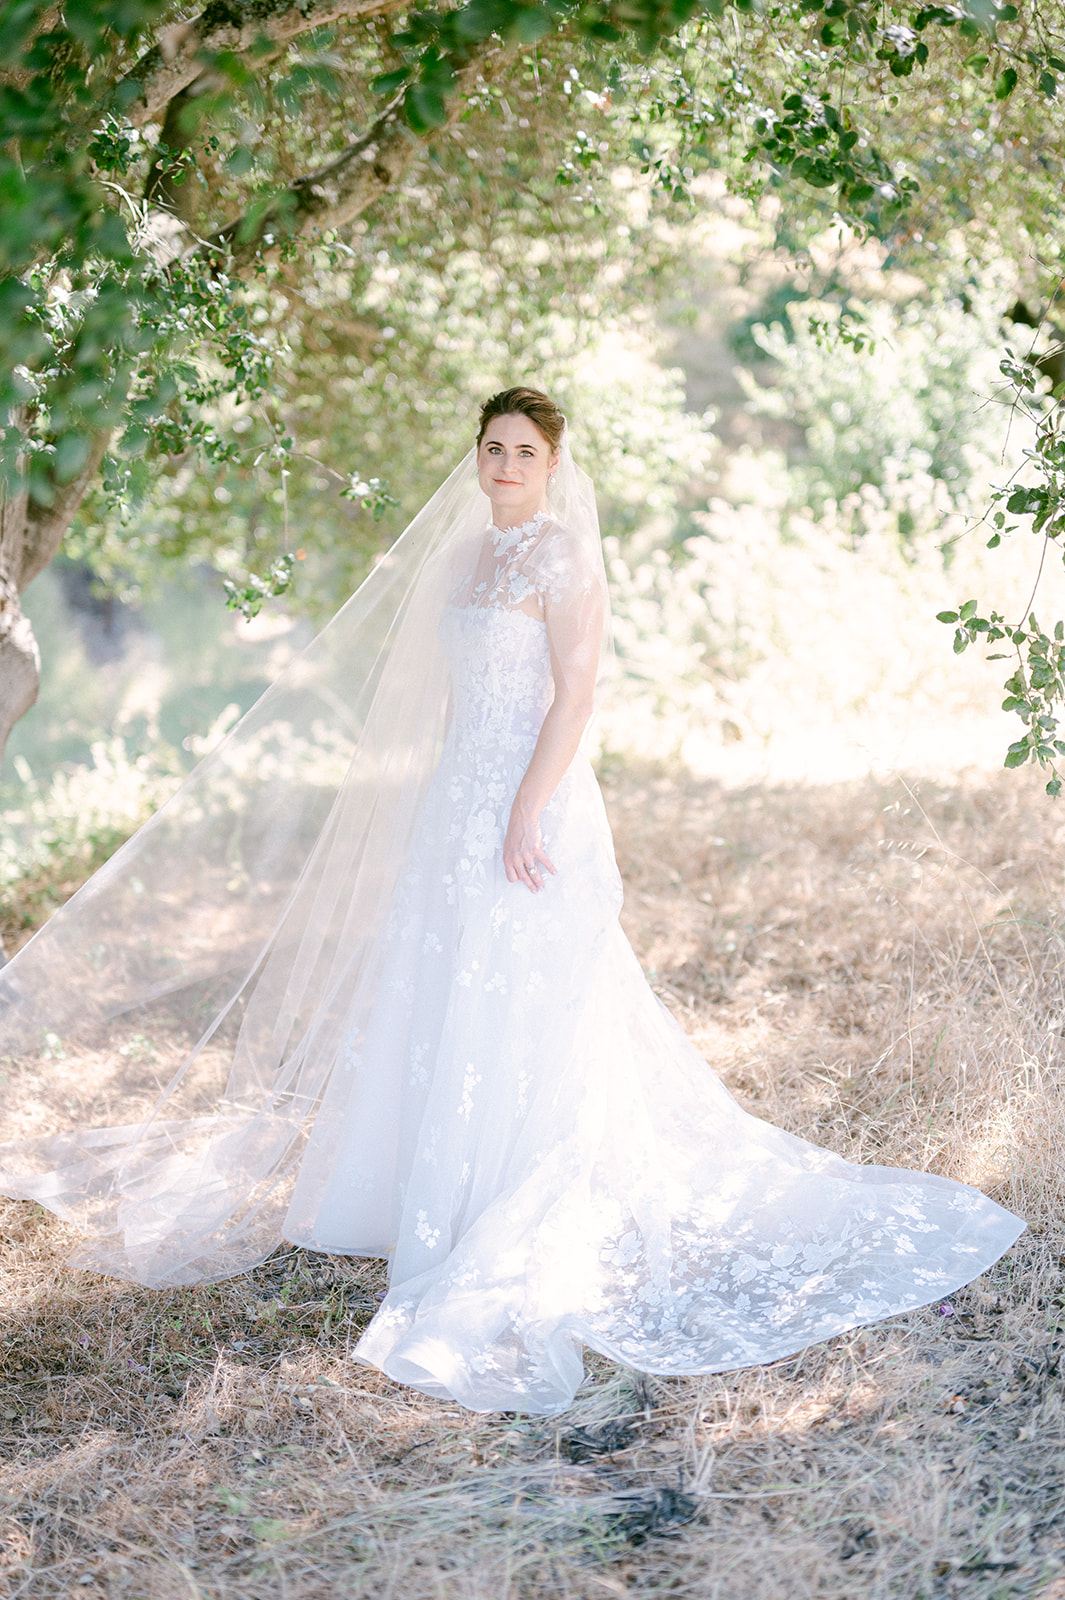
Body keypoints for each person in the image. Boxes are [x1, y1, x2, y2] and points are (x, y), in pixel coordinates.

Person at [0, 387, 1024, 1416]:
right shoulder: (462, 557)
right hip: (460, 795)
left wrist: (526, 807)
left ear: (552, 464)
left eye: (524, 452)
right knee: (442, 971)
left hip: (533, 798)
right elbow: (455, 693)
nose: (504, 465)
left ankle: (509, 1181)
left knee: (529, 978)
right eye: (493, 447)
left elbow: (575, 696)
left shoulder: (563, 558)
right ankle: (420, 1182)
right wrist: (449, 796)